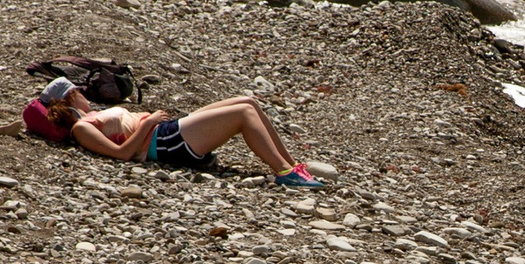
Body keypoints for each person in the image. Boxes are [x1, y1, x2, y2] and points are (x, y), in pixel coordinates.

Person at [25, 77, 326, 186]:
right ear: (68, 98)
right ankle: (283, 173)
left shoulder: (92, 115)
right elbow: (121, 155)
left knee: (247, 101)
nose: (83, 92)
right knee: (243, 114)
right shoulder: (81, 127)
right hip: (164, 141)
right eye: (78, 90)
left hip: (167, 132)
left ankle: (292, 165)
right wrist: (148, 122)